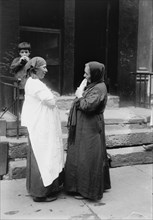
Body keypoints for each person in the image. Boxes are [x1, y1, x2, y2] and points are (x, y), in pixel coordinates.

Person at [65, 61, 111, 201]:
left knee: (88, 157)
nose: (84, 75)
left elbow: (87, 106)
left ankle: (87, 190)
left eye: (87, 73)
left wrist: (79, 95)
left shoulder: (99, 88)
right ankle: (76, 186)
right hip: (84, 126)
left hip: (90, 127)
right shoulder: (92, 85)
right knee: (80, 155)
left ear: (95, 74)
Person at [21, 57, 64, 202]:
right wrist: (53, 95)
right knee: (42, 156)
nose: (46, 70)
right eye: (43, 67)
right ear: (35, 69)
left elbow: (49, 97)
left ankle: (38, 188)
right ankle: (40, 193)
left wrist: (51, 95)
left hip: (41, 124)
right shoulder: (34, 84)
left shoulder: (35, 82)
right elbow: (51, 100)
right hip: (40, 126)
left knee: (41, 155)